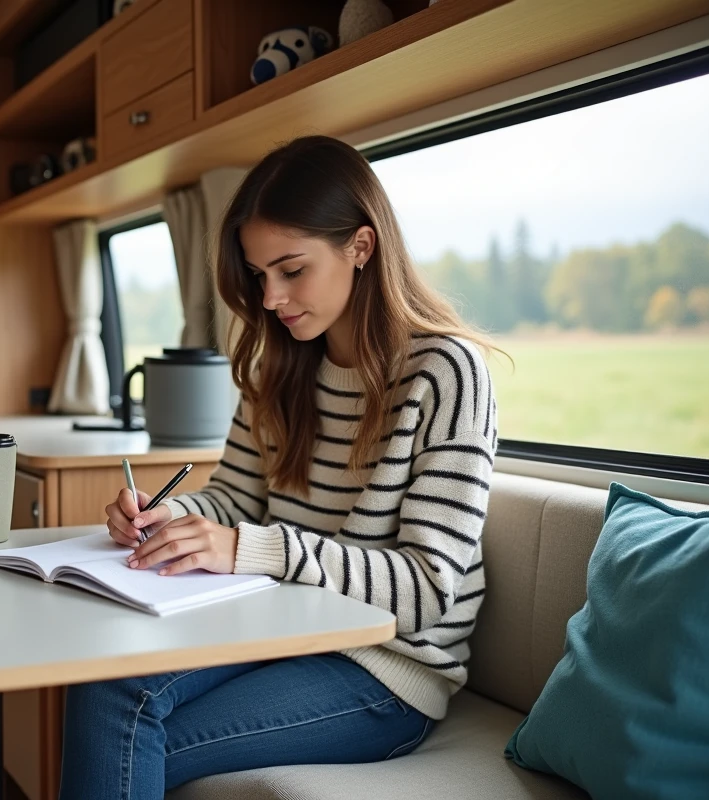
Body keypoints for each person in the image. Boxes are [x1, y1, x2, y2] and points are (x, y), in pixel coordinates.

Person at [59, 135, 501, 800]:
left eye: (291, 270)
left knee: (128, 729)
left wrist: (249, 549)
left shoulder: (446, 373)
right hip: (277, 625)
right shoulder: (278, 369)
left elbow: (427, 588)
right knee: (104, 677)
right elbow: (235, 498)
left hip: (384, 670)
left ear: (361, 246)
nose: (270, 299)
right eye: (260, 275)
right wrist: (170, 517)